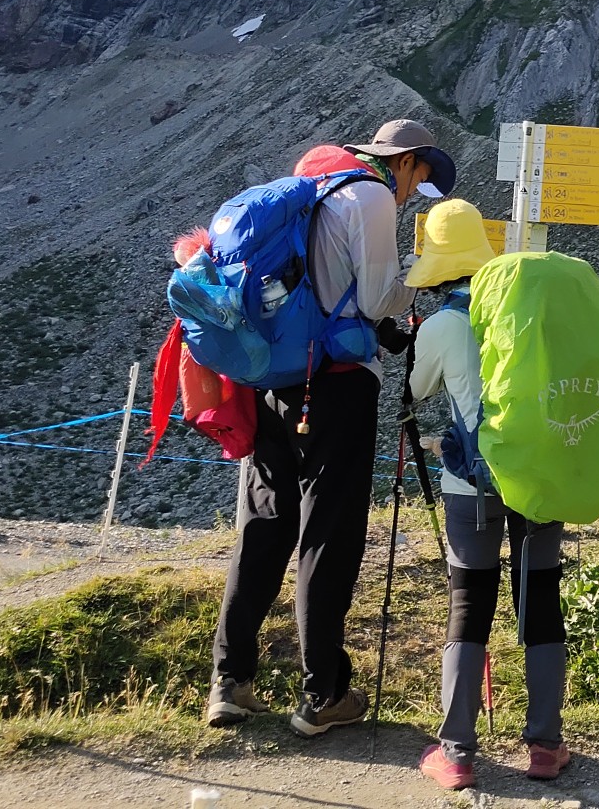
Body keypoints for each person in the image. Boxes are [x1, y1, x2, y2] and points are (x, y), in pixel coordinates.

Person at [206, 118, 457, 735]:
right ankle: (324, 694)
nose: (413, 194)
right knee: (329, 533)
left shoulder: (315, 190)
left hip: (274, 380)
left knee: (263, 528)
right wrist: (414, 292)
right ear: (403, 161)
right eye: (420, 179)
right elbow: (374, 298)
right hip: (338, 386)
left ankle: (230, 682)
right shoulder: (369, 195)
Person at [404, 198, 572, 790]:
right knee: (541, 598)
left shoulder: (443, 324)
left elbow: (416, 391)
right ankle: (546, 745)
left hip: (468, 484)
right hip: (537, 478)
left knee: (469, 603)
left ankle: (455, 752)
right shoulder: (527, 308)